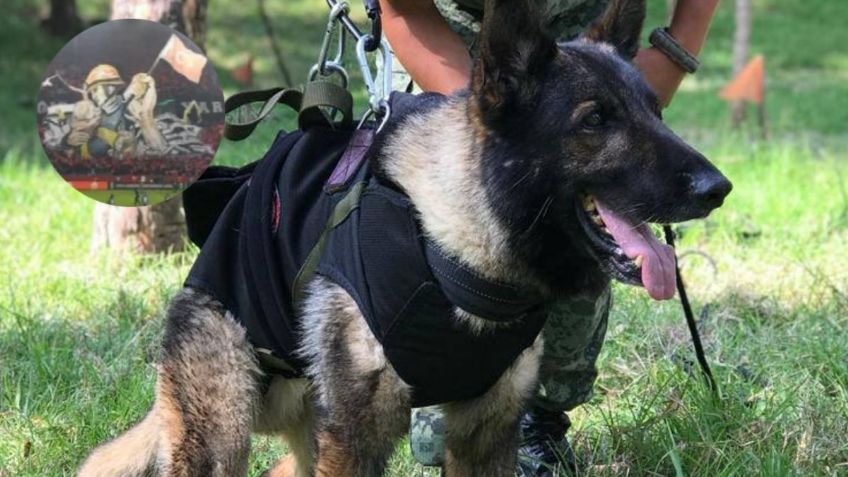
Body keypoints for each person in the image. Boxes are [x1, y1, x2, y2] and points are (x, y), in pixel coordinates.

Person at [377, 0, 720, 475]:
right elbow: (405, 12)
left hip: (584, 17)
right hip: (443, 27)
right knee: (450, 231)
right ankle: (439, 392)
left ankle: (539, 419)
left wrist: (674, 52)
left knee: (580, 220)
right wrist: (497, 122)